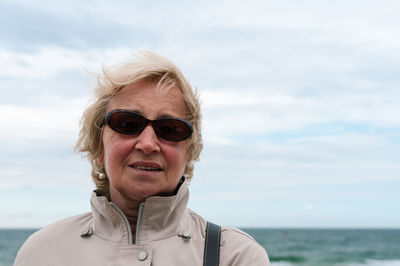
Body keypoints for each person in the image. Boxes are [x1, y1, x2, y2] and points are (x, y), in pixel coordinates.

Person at [14, 51, 270, 266]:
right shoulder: (41, 253)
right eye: (127, 123)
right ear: (99, 148)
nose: (148, 144)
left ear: (188, 153)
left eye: (169, 129)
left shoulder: (234, 256)